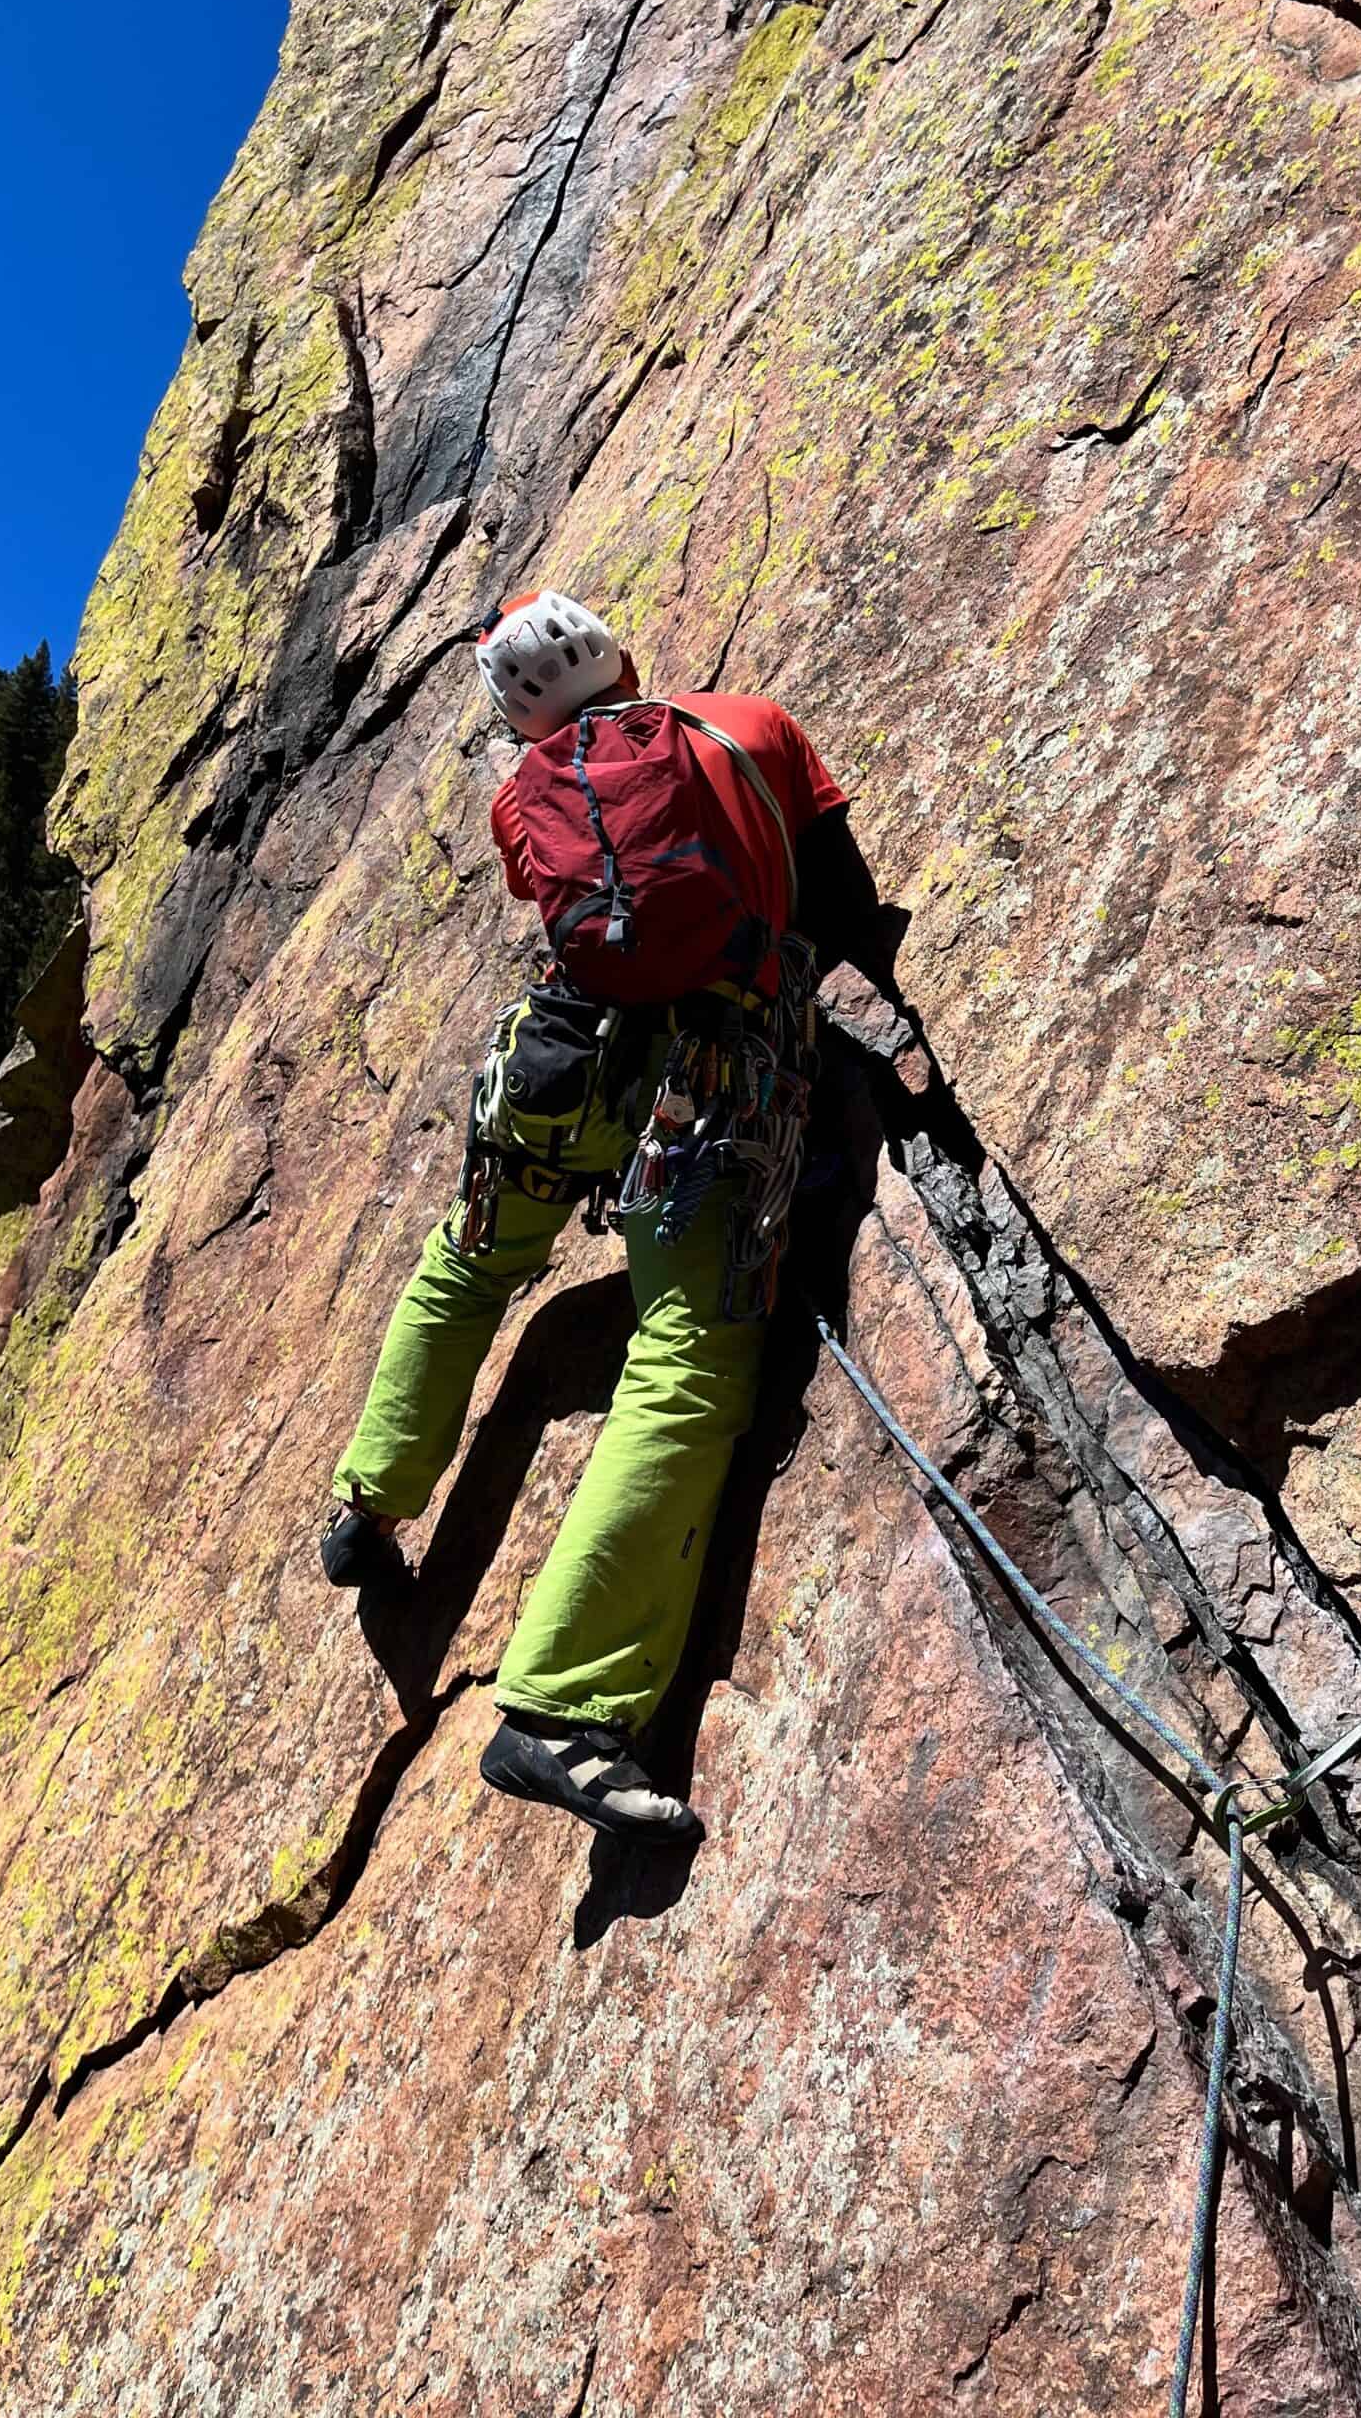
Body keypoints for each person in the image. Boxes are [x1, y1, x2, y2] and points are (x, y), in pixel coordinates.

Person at [320, 592, 885, 1845]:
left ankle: (368, 1501)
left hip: (558, 1069)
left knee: (468, 1265)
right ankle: (561, 1709)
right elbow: (840, 904)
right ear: (619, 656)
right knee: (685, 1359)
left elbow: (562, 898)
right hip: (707, 1092)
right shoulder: (746, 726)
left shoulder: (524, 797)